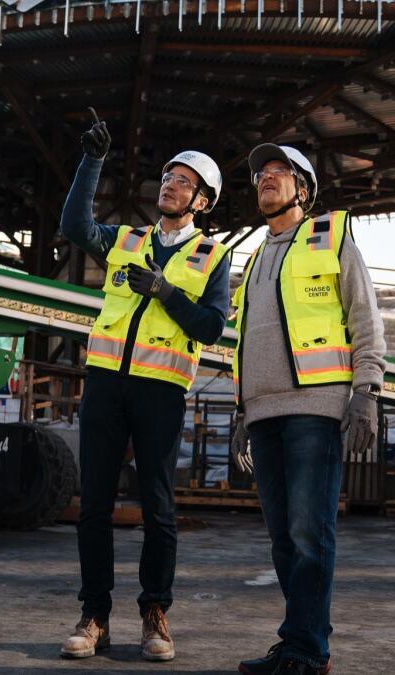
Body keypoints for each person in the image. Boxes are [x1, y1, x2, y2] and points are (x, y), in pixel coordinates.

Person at [58, 118, 231, 662]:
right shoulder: (126, 239)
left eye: (183, 181)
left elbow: (210, 326)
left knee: (158, 509)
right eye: (166, 177)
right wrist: (91, 163)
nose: (170, 185)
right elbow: (74, 225)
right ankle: (94, 616)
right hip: (107, 384)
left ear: (202, 201)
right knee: (95, 507)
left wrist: (164, 291)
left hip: (161, 391)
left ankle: (155, 615)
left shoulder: (213, 257)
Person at [229, 144, 386, 675]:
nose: (265, 180)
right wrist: (239, 410)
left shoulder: (331, 239)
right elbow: (245, 340)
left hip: (316, 408)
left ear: (304, 188)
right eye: (260, 175)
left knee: (308, 532)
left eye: (279, 173)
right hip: (264, 412)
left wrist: (366, 390)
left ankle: (307, 651)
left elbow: (365, 317)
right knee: (281, 537)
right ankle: (301, 638)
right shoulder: (253, 259)